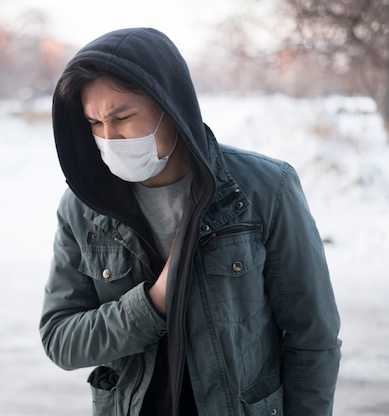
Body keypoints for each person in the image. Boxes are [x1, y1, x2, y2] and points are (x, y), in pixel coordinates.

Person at [39, 27, 341, 416]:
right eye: (95, 123)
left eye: (123, 117)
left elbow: (312, 337)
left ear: (171, 105)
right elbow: (60, 338)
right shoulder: (84, 207)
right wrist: (151, 306)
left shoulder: (266, 189)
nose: (109, 137)